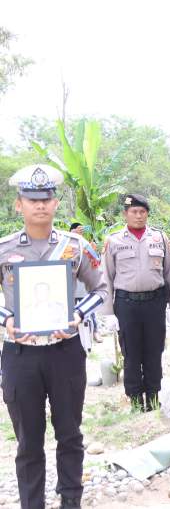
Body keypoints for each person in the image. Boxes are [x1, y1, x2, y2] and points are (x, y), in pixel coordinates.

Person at [1, 165, 108, 509]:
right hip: (20, 355)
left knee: (70, 434)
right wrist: (6, 319)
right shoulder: (4, 249)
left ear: (55, 203)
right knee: (29, 442)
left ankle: (71, 500)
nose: (40, 205)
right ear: (19, 204)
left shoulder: (75, 246)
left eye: (46, 199)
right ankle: (32, 503)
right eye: (32, 200)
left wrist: (77, 315)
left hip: (65, 351)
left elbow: (101, 288)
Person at [102, 194, 170, 412]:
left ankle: (154, 398)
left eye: (142, 212)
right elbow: (106, 277)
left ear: (147, 214)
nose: (138, 216)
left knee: (154, 351)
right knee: (131, 354)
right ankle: (137, 401)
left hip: (154, 303)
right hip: (126, 304)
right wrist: (107, 312)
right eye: (134, 212)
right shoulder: (114, 241)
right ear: (125, 214)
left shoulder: (159, 238)